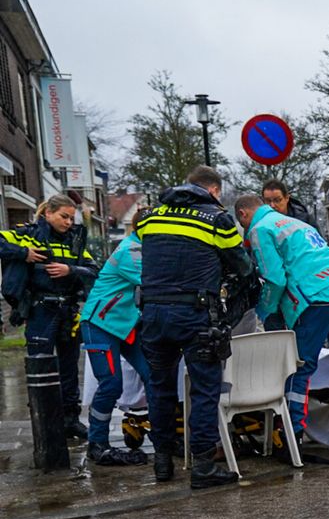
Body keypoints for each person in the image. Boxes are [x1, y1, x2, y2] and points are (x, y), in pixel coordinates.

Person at [233, 194, 329, 462]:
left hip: (315, 299)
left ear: (243, 214)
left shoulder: (259, 229)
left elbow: (274, 279)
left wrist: (264, 312)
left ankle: (293, 438)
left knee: (298, 370)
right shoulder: (296, 223)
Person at [137, 166, 257, 489]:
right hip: (195, 314)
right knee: (204, 388)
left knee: (159, 388)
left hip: (152, 314)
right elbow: (242, 266)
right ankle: (203, 465)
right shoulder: (217, 219)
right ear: (213, 191)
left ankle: (162, 462)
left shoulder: (150, 217)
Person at [0, 194, 98, 440]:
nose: (68, 222)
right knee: (40, 366)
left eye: (71, 218)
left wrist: (71, 269)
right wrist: (23, 253)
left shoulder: (75, 241)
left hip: (68, 311)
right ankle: (44, 423)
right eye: (63, 216)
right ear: (48, 213)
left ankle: (70, 420)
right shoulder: (28, 234)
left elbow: (94, 269)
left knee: (69, 369)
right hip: (40, 310)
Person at [78, 209, 152, 465]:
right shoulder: (130, 251)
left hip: (125, 325)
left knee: (153, 375)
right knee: (110, 384)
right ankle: (97, 444)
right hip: (100, 323)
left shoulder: (144, 248)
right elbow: (153, 282)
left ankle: (163, 437)